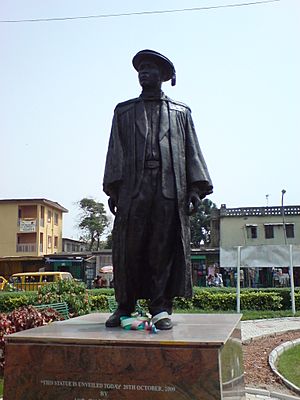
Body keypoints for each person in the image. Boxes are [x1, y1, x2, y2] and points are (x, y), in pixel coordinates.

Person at [103, 49, 213, 330]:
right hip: (134, 190)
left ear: (164, 76)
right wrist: (114, 189)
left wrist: (195, 190)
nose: (144, 72)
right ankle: (125, 306)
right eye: (141, 68)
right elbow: (115, 151)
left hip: (168, 189)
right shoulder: (124, 111)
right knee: (129, 248)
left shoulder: (180, 112)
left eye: (150, 68)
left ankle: (160, 308)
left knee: (161, 249)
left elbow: (192, 151)